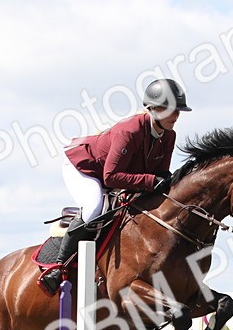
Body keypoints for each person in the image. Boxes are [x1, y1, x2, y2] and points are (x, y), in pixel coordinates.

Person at [54, 78, 192, 271]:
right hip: (84, 168)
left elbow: (160, 174)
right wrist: (152, 180)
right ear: (153, 109)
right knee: (94, 208)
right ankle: (59, 265)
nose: (176, 115)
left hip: (114, 174)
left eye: (179, 110)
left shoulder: (169, 135)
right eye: (171, 109)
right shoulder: (130, 131)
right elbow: (111, 177)